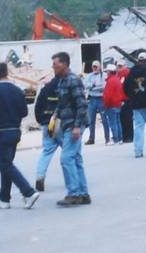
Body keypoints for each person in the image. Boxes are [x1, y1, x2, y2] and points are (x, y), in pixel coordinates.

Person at [0, 62, 40, 210]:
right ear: (7, 72)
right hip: (15, 130)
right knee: (6, 165)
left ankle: (28, 192)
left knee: (5, 165)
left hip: (1, 131)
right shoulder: (17, 90)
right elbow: (24, 112)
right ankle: (4, 198)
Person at [52, 52, 91, 207]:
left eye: (55, 64)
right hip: (67, 124)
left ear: (64, 64)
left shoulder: (73, 80)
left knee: (66, 158)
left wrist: (76, 127)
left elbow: (82, 104)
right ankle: (83, 193)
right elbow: (62, 103)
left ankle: (73, 193)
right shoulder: (61, 81)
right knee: (75, 159)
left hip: (74, 125)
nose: (53, 67)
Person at [33, 74, 61, 192]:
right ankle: (75, 180)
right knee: (70, 153)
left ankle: (40, 176)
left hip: (48, 125)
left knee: (47, 152)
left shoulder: (46, 88)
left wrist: (42, 121)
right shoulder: (64, 87)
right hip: (62, 124)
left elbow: (38, 106)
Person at [83, 60, 109, 145]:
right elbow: (85, 85)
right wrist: (93, 85)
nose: (94, 68)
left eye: (96, 66)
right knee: (91, 120)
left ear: (100, 67)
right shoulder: (89, 76)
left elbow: (104, 86)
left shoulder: (104, 75)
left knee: (104, 119)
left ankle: (107, 138)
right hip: (92, 99)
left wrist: (93, 86)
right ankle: (91, 138)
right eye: (93, 66)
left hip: (101, 98)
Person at [102, 64, 125, 144]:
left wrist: (105, 105)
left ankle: (115, 138)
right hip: (118, 103)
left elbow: (108, 95)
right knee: (118, 122)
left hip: (111, 104)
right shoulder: (117, 79)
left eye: (107, 71)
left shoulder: (110, 81)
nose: (106, 73)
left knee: (113, 123)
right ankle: (120, 138)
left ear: (110, 72)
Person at [116, 59, 134, 143]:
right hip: (120, 100)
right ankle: (124, 136)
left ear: (124, 66)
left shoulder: (128, 74)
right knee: (122, 119)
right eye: (118, 66)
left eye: (120, 66)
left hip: (127, 99)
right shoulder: (118, 75)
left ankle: (129, 136)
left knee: (128, 119)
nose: (119, 68)